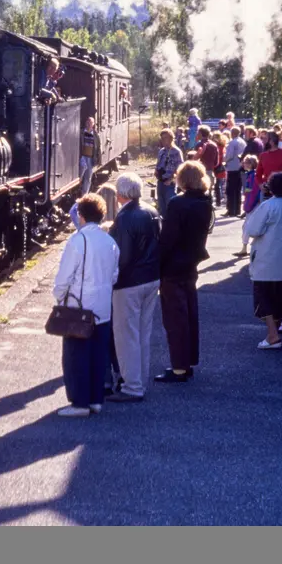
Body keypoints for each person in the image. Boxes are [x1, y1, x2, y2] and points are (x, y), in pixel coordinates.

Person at [52, 193, 120, 417]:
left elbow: (65, 276)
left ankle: (79, 403)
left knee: (76, 355)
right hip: (103, 306)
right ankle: (95, 400)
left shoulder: (78, 240)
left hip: (80, 307)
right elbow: (114, 274)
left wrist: (59, 296)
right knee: (98, 354)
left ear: (80, 216)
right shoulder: (110, 241)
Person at [157, 160, 214, 383]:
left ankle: (179, 367)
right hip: (191, 263)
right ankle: (188, 361)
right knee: (190, 314)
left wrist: (156, 262)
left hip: (173, 266)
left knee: (175, 319)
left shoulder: (177, 204)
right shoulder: (205, 201)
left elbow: (168, 238)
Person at [107, 173, 162, 403]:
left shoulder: (125, 218)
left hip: (130, 283)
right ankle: (140, 380)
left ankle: (132, 386)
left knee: (126, 335)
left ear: (120, 193)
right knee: (142, 332)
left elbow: (123, 256)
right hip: (151, 278)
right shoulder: (151, 211)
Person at [245, 172, 282, 350]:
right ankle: (274, 334)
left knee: (265, 299)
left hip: (267, 260)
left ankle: (272, 335)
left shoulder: (268, 206)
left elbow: (253, 229)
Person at [154, 129, 182, 217]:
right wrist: (156, 171)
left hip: (169, 183)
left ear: (171, 138)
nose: (163, 140)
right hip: (160, 181)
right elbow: (158, 164)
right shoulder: (161, 151)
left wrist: (171, 179)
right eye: (162, 138)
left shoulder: (176, 151)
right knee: (161, 207)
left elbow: (180, 168)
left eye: (165, 138)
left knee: (170, 206)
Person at [224, 126, 247, 217]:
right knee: (237, 190)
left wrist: (224, 160)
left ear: (232, 133)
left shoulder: (232, 142)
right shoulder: (243, 142)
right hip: (240, 167)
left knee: (230, 190)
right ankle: (237, 209)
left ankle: (231, 210)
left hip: (232, 167)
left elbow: (229, 155)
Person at [194, 125, 219, 203]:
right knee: (208, 194)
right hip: (210, 171)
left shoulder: (199, 145)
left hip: (200, 173)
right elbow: (216, 162)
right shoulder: (214, 145)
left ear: (201, 134)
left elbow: (194, 159)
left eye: (198, 133)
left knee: (199, 195)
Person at [79, 117, 101, 195]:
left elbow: (98, 147)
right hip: (82, 157)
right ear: (85, 123)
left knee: (88, 178)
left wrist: (98, 159)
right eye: (87, 123)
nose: (89, 124)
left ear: (93, 124)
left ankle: (84, 194)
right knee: (80, 174)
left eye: (90, 123)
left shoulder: (95, 135)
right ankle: (78, 187)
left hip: (90, 158)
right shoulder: (81, 133)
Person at [211, 132, 227, 207]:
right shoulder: (222, 146)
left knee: (217, 185)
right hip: (220, 167)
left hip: (216, 168)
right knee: (218, 185)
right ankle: (218, 201)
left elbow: (218, 158)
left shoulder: (217, 147)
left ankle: (218, 201)